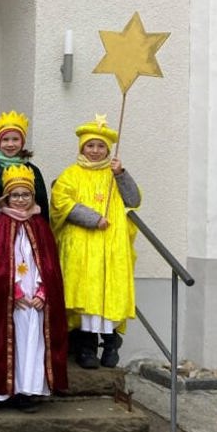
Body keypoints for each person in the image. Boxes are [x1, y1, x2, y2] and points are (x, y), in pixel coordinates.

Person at [0, 164, 68, 413]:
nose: (21, 200)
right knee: (0, 341)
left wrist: (42, 293)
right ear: (6, 197)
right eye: (15, 195)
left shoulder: (40, 226)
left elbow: (49, 266)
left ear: (33, 197)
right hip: (7, 299)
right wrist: (14, 292)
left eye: (25, 195)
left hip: (35, 301)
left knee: (31, 344)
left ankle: (26, 392)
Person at [50, 115, 141, 369]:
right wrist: (92, 218)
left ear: (108, 150)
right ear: (82, 147)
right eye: (90, 146)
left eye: (100, 146)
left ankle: (111, 344)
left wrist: (121, 174)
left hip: (111, 247)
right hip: (83, 246)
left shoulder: (114, 174)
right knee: (86, 295)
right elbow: (61, 203)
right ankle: (86, 347)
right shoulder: (71, 174)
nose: (95, 151)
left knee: (108, 294)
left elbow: (133, 200)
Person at [0, 111, 49, 241]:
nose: (10, 144)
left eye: (15, 139)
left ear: (22, 142)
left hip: (27, 235)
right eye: (5, 139)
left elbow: (41, 206)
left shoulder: (33, 171)